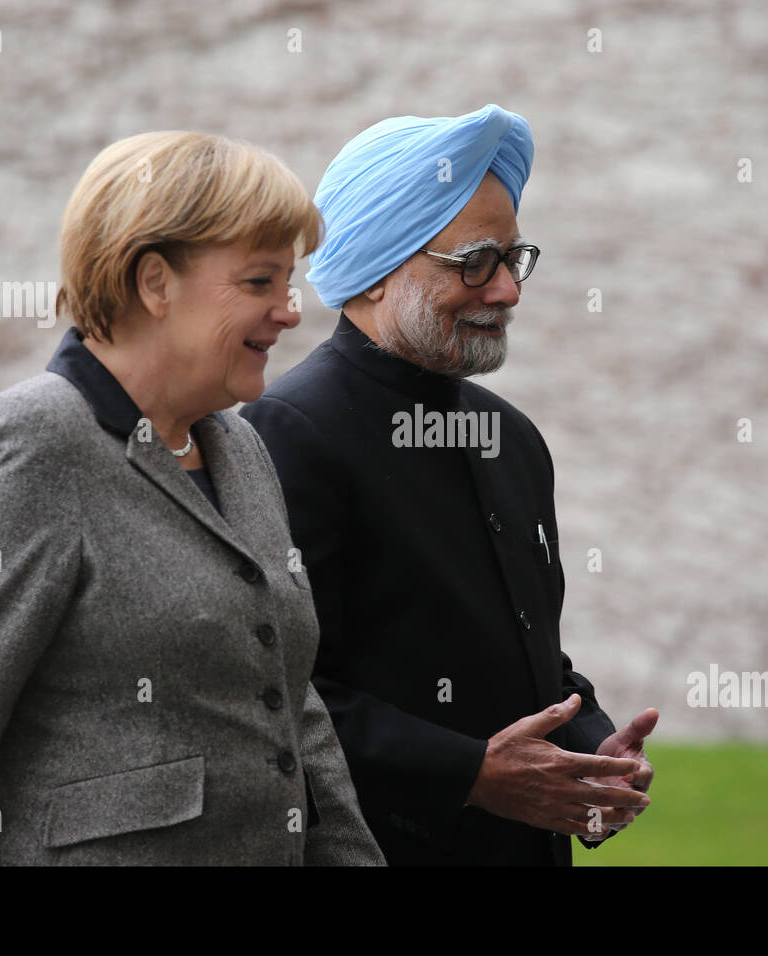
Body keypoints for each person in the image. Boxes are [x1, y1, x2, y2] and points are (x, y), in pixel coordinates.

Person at [0, 131, 384, 866]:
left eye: (288, 284)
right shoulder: (32, 441)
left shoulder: (239, 447)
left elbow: (292, 711)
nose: (290, 312)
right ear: (155, 282)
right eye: (260, 282)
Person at [241, 105, 658, 866]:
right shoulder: (288, 433)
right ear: (375, 267)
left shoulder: (514, 438)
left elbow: (530, 663)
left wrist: (592, 750)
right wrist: (469, 774)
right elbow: (269, 694)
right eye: (474, 261)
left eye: (514, 258)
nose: (507, 292)